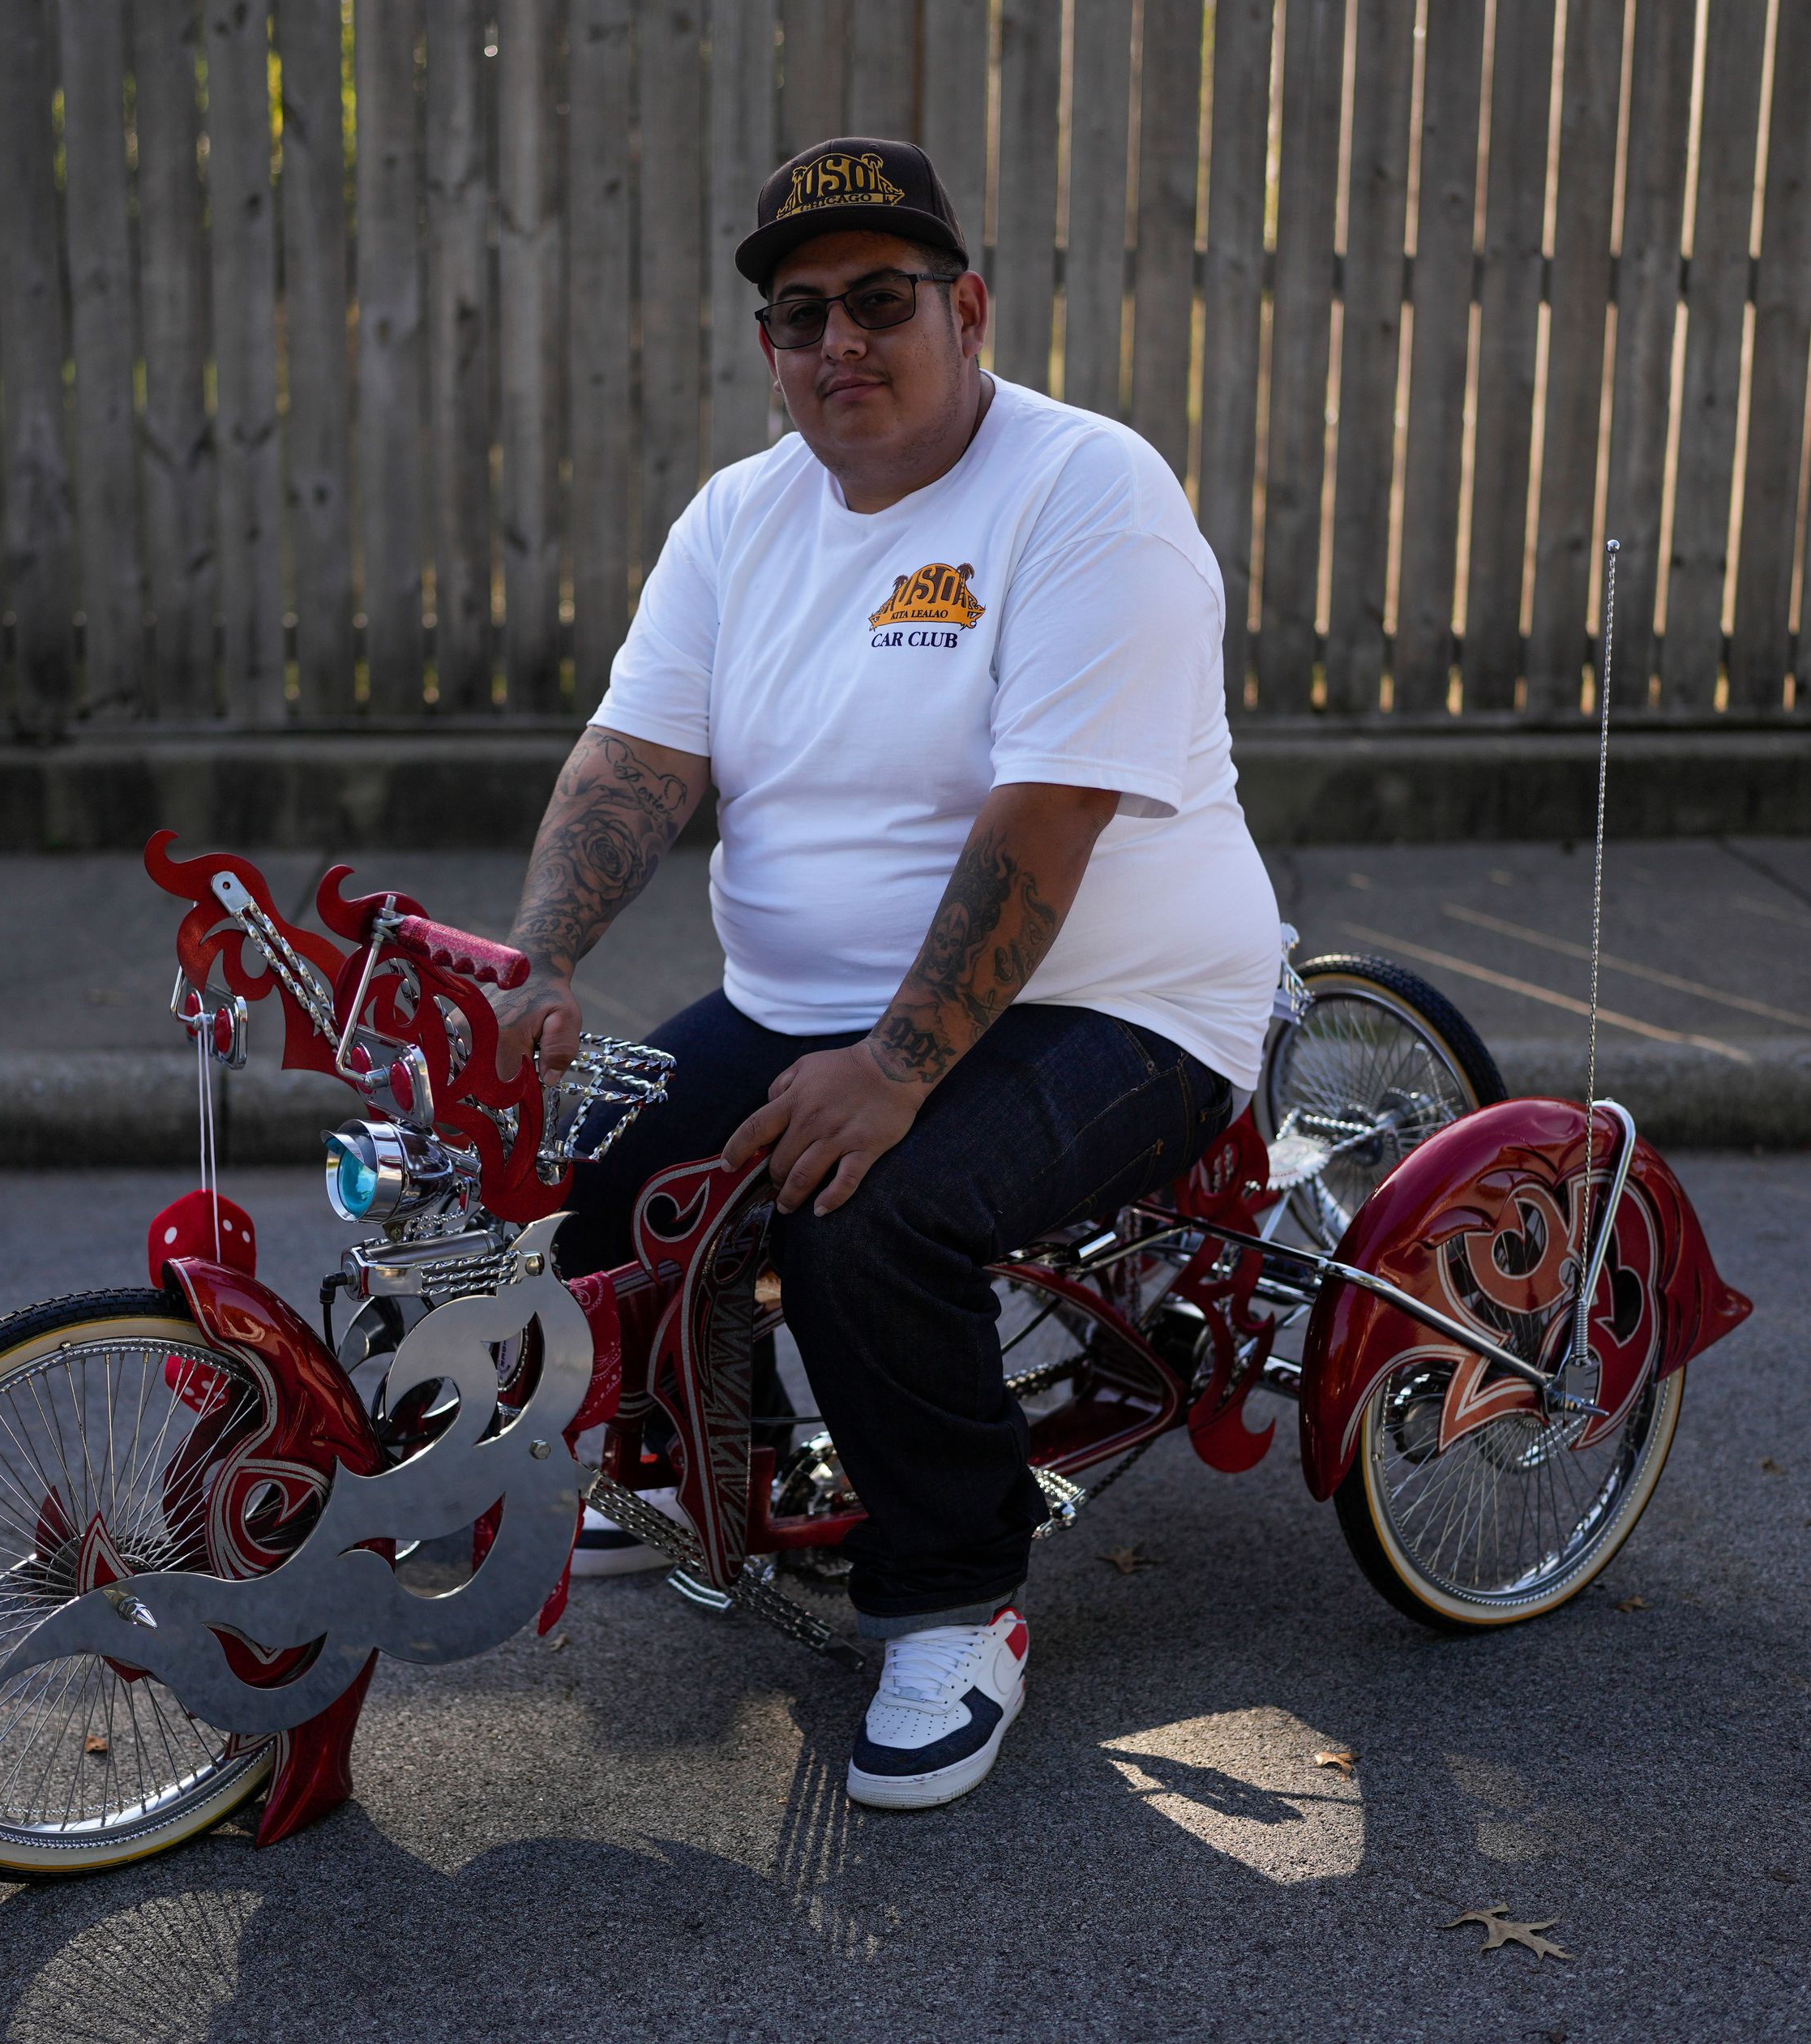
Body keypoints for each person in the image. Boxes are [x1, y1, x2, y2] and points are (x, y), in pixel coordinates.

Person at [491, 138, 1280, 1812]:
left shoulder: (1086, 489)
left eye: (879, 300)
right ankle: (714, 1469)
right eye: (799, 315)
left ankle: (953, 1597)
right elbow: (635, 757)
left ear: (966, 308)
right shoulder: (739, 515)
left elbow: (1047, 817)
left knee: (869, 1208)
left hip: (1119, 1000)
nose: (838, 342)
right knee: (598, 1179)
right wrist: (540, 958)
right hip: (805, 998)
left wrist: (899, 1067)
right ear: (768, 348)